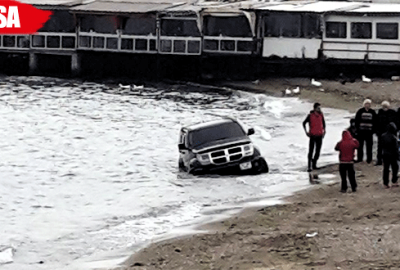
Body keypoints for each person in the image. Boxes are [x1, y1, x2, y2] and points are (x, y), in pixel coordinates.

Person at [303, 103, 326, 172]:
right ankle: (309, 166)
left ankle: (314, 164)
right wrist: (306, 132)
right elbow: (304, 123)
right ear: (314, 108)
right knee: (311, 151)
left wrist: (324, 131)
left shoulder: (321, 115)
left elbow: (324, 123)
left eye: (320, 108)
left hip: (319, 135)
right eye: (318, 108)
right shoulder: (310, 115)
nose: (319, 109)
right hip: (313, 135)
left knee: (318, 151)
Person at [376, 101, 397, 165]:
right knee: (380, 147)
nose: (385, 108)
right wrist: (377, 131)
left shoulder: (392, 113)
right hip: (381, 133)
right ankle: (379, 160)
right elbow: (377, 123)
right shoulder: (380, 113)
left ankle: (391, 160)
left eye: (386, 106)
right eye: (383, 106)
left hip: (390, 133)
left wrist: (394, 131)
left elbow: (396, 123)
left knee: (391, 148)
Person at [355, 99, 376, 163]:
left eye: (369, 104)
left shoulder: (372, 112)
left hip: (369, 132)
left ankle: (369, 159)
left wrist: (373, 130)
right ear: (364, 104)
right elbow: (357, 120)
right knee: (360, 146)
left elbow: (375, 121)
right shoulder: (360, 111)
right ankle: (359, 158)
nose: (367, 105)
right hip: (361, 132)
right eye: (366, 104)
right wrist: (357, 129)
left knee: (369, 146)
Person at [381, 122, 399, 189]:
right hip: (393, 155)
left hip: (385, 154)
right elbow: (396, 148)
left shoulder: (383, 136)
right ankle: (394, 181)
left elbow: (381, 146)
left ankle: (385, 183)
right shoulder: (394, 138)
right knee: (395, 168)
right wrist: (398, 156)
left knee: (386, 169)